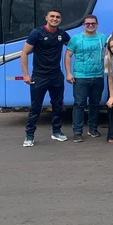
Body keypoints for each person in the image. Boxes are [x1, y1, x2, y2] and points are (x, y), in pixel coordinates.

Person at [21, 9, 71, 147]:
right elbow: (24, 53)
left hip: (56, 76)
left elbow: (73, 47)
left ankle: (56, 132)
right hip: (39, 76)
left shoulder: (62, 34)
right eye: (52, 16)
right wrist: (25, 74)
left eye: (58, 17)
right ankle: (29, 136)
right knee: (36, 107)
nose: (55, 19)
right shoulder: (36, 33)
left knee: (58, 105)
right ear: (46, 18)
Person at [65, 15, 107, 142]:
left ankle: (93, 129)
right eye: (87, 23)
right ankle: (77, 132)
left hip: (98, 76)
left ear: (97, 24)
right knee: (79, 105)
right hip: (80, 77)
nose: (90, 25)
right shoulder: (76, 39)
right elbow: (68, 56)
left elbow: (109, 52)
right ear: (83, 25)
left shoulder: (102, 38)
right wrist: (68, 73)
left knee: (95, 104)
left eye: (93, 23)